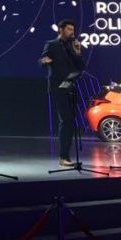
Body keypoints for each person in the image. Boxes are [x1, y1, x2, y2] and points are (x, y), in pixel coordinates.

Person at [39, 19, 85, 167]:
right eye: (69, 29)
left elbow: (81, 66)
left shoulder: (73, 46)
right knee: (66, 120)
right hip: (57, 87)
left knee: (70, 121)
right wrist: (44, 61)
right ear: (61, 30)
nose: (72, 32)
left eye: (73, 30)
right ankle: (63, 157)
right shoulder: (52, 44)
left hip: (70, 86)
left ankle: (66, 156)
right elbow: (41, 59)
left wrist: (78, 52)